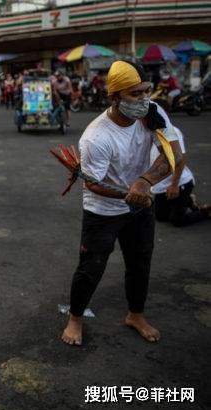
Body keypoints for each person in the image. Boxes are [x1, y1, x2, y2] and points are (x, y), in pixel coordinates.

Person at [60, 60, 183, 346]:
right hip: (102, 211)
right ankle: (75, 318)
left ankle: (135, 314)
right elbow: (92, 182)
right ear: (114, 97)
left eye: (146, 91)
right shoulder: (96, 136)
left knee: (140, 263)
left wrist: (144, 182)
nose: (143, 100)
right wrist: (129, 192)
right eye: (135, 94)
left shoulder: (153, 113)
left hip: (141, 205)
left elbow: (172, 154)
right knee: (91, 267)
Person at [151, 126, 210, 226]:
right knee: (161, 217)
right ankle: (189, 199)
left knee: (177, 221)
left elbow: (180, 159)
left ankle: (206, 212)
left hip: (180, 182)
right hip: (161, 184)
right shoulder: (144, 131)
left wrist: (174, 185)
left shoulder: (171, 131)